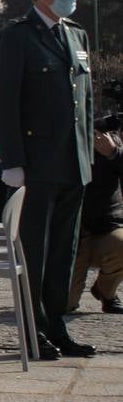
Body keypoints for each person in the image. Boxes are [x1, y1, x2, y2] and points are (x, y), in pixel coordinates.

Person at [0, 0, 96, 359]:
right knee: (34, 250)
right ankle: (32, 329)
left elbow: (82, 103)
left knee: (63, 252)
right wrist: (12, 160)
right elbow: (4, 100)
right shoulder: (17, 36)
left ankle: (57, 325)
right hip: (36, 163)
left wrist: (88, 154)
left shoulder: (76, 35)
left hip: (74, 163)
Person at [72, 122, 123, 314]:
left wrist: (113, 153)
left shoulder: (105, 142)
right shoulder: (58, 140)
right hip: (71, 232)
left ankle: (106, 291)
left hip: (103, 228)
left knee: (121, 244)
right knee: (64, 305)